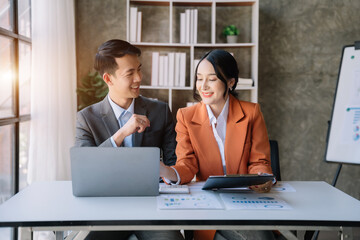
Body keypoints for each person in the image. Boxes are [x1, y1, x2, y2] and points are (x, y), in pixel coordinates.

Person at [160, 49, 275, 240]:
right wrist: (165, 171)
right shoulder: (186, 116)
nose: (203, 86)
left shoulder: (251, 112)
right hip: (209, 204)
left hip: (245, 200)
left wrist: (261, 176)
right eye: (199, 78)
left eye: (212, 79)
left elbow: (259, 160)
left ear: (230, 82)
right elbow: (187, 164)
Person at [76, 39, 183, 240]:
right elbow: (85, 171)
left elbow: (176, 166)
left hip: (152, 209)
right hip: (107, 210)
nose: (138, 78)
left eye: (139, 70)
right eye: (130, 73)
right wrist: (121, 134)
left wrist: (165, 171)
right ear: (108, 79)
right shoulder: (87, 118)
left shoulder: (160, 111)